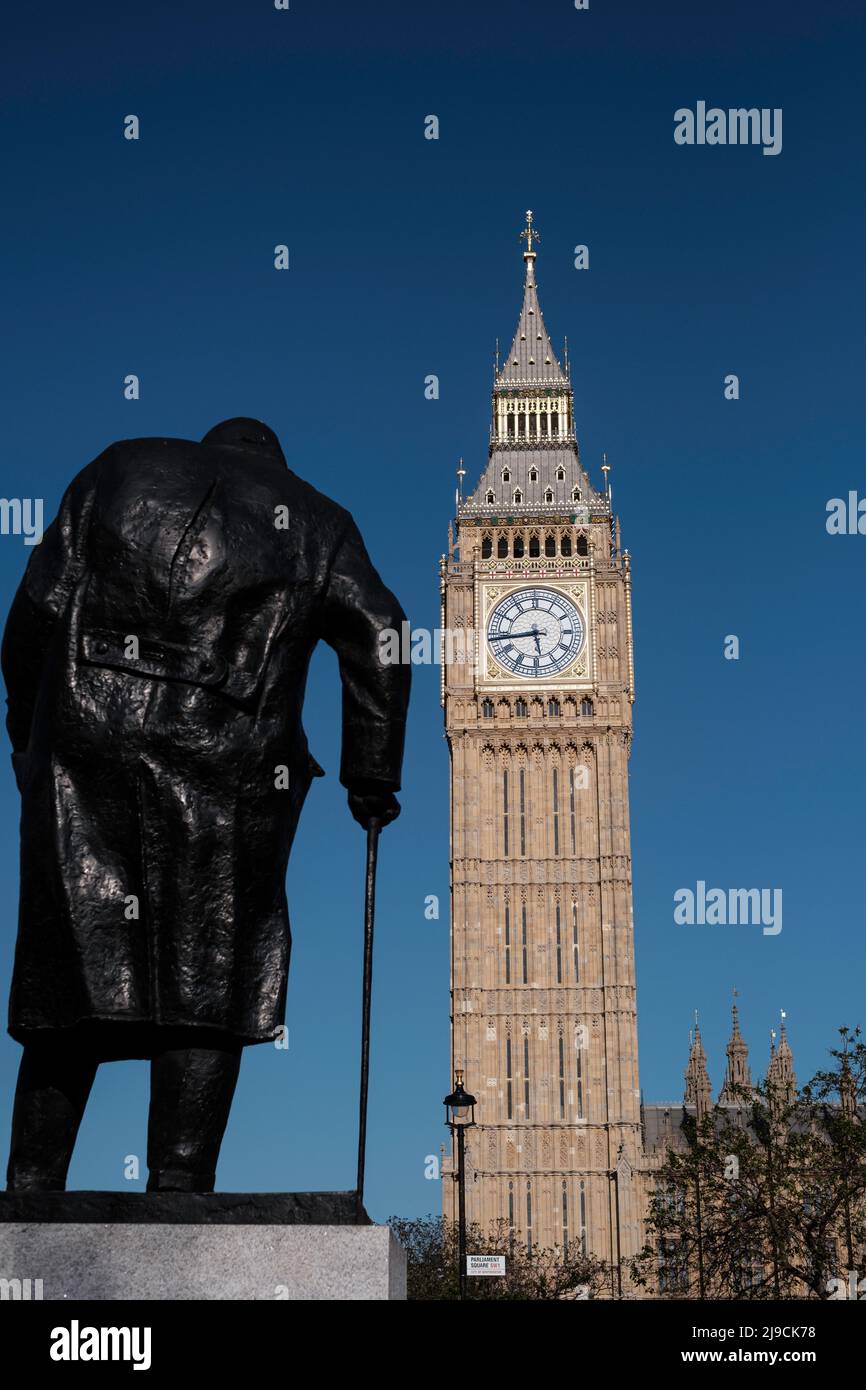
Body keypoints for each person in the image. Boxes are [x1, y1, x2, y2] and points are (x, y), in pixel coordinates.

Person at [2, 417, 410, 1192]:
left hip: (83, 748)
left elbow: (33, 614)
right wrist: (373, 773)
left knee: (69, 971)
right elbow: (384, 632)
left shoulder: (115, 467)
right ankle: (179, 1185)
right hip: (230, 765)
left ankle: (28, 1186)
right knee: (211, 974)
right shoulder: (316, 518)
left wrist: (29, 728)